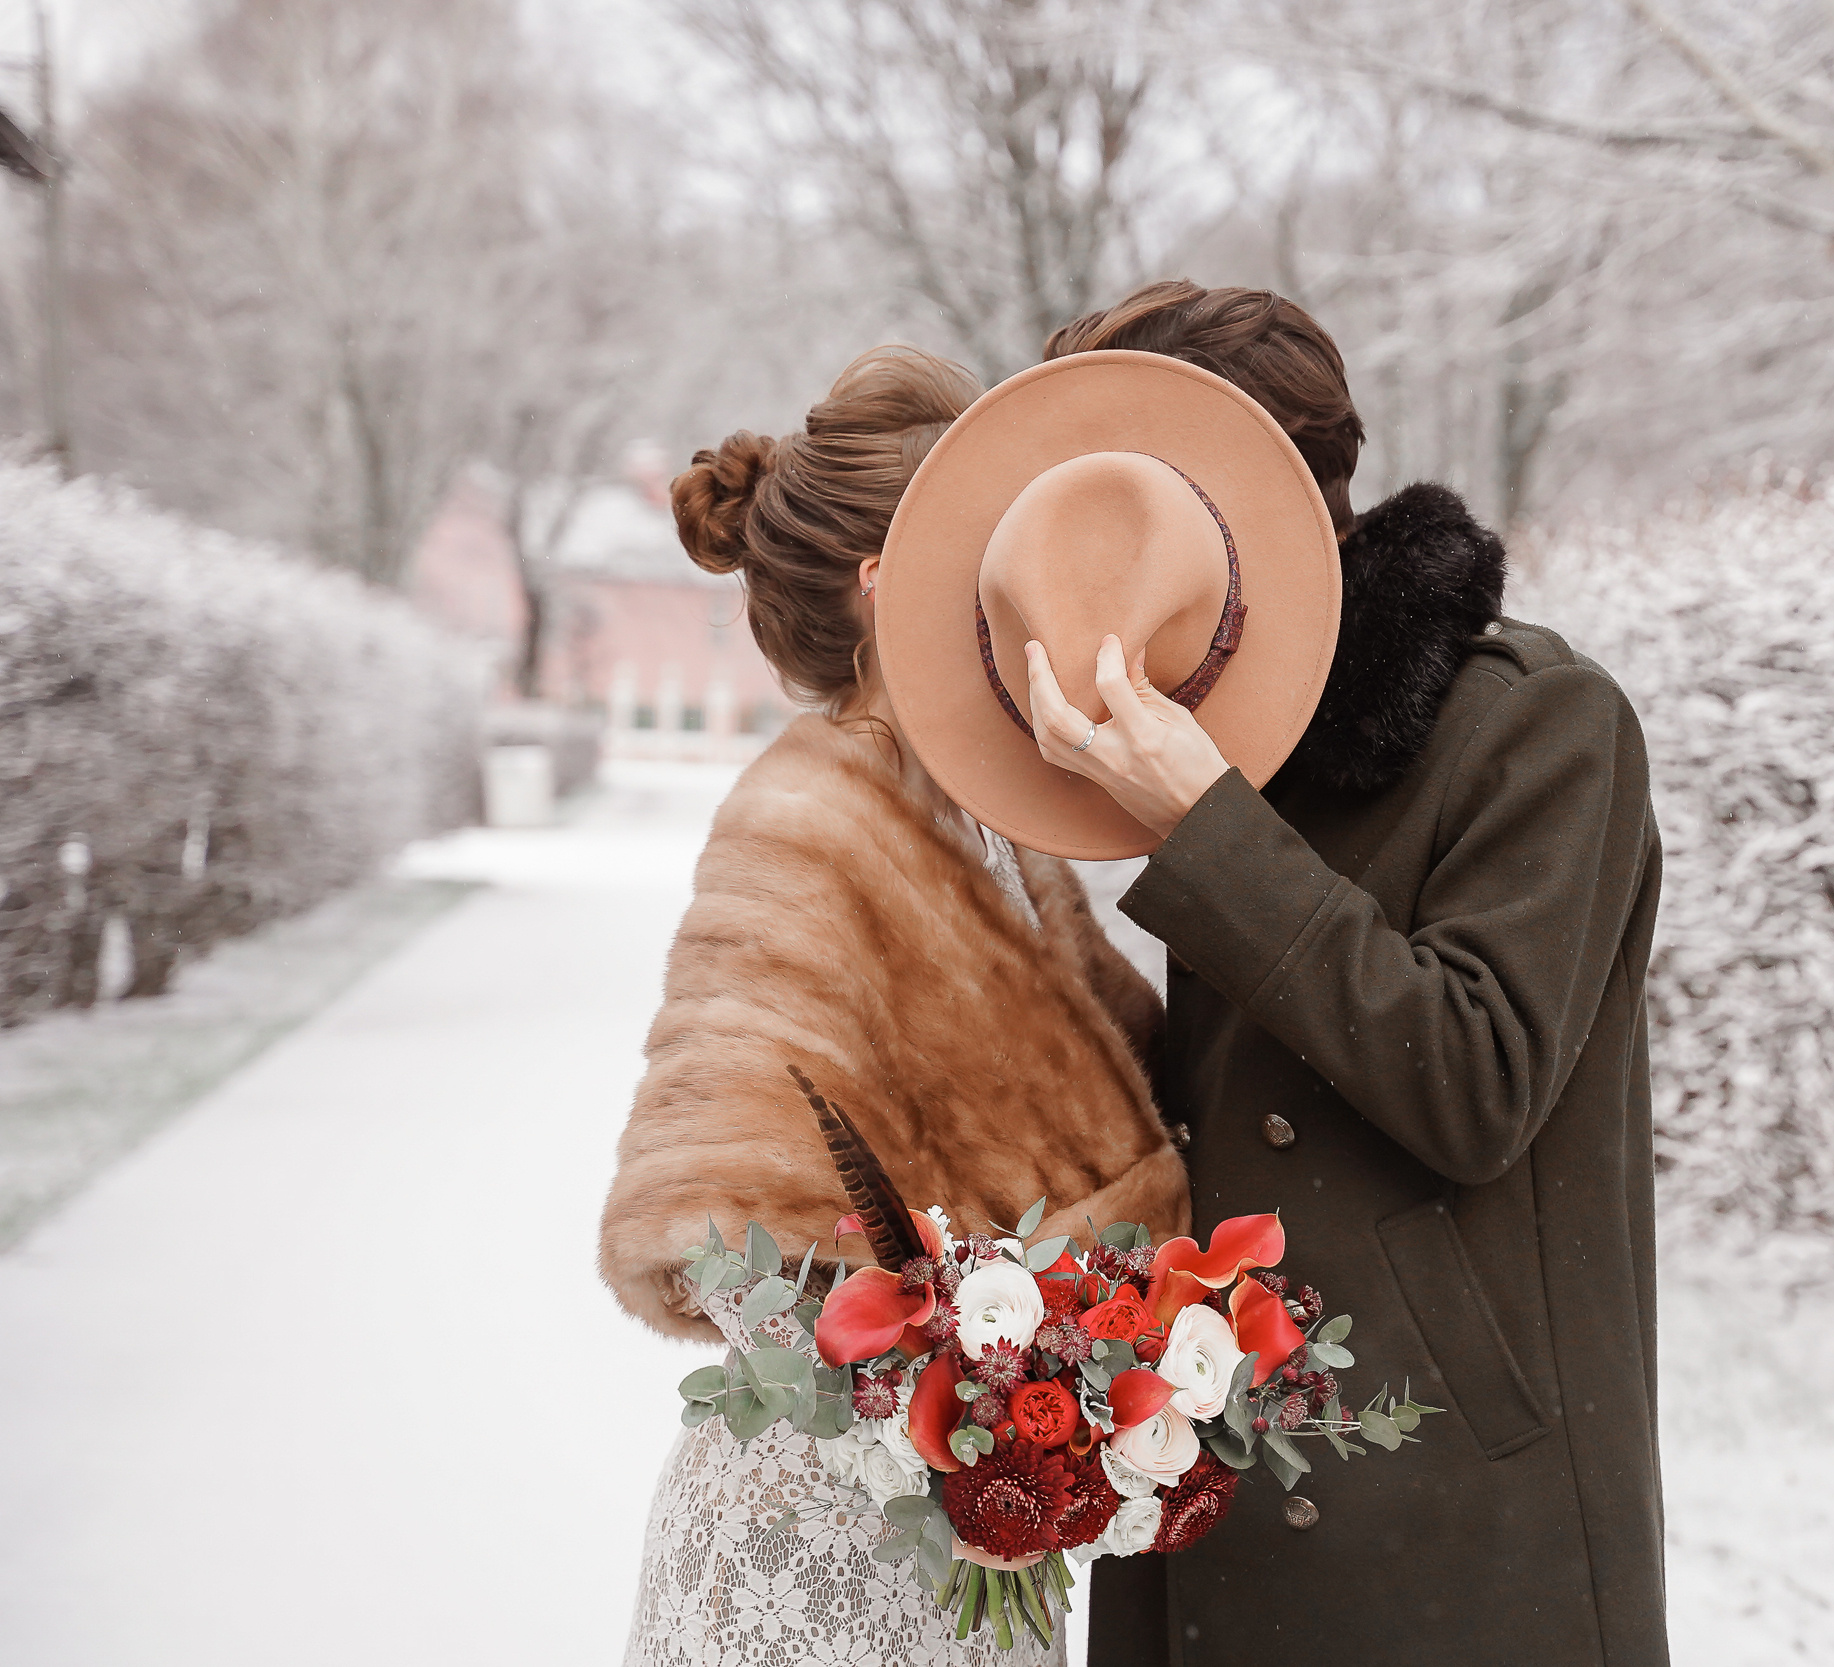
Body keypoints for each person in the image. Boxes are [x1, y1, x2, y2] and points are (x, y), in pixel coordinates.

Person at [1025, 283, 1671, 1665]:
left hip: (1460, 1526)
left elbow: (1476, 1082)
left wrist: (1210, 831)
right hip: (1201, 1486)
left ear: (1264, 499)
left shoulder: (1544, 722)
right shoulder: (1210, 741)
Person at [596, 345, 1189, 1667]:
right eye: (992, 555)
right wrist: (975, 1373)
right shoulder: (802, 821)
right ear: (885, 586)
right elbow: (735, 1244)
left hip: (984, 1542)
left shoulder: (1004, 829)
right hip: (818, 1569)